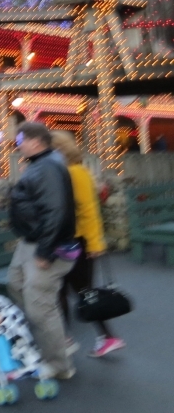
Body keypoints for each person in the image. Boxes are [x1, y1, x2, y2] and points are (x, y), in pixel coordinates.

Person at [7, 121, 78, 381]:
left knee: (39, 305)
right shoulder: (41, 164)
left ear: (35, 141)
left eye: (19, 140)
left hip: (46, 246)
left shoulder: (47, 167)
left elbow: (56, 211)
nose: (17, 145)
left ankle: (59, 364)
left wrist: (46, 252)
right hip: (31, 241)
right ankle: (52, 339)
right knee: (15, 284)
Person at [52, 130, 126, 358]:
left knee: (75, 292)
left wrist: (95, 244)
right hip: (73, 241)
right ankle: (100, 337)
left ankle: (67, 340)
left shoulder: (75, 173)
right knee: (71, 291)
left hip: (78, 242)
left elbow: (89, 211)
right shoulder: (71, 172)